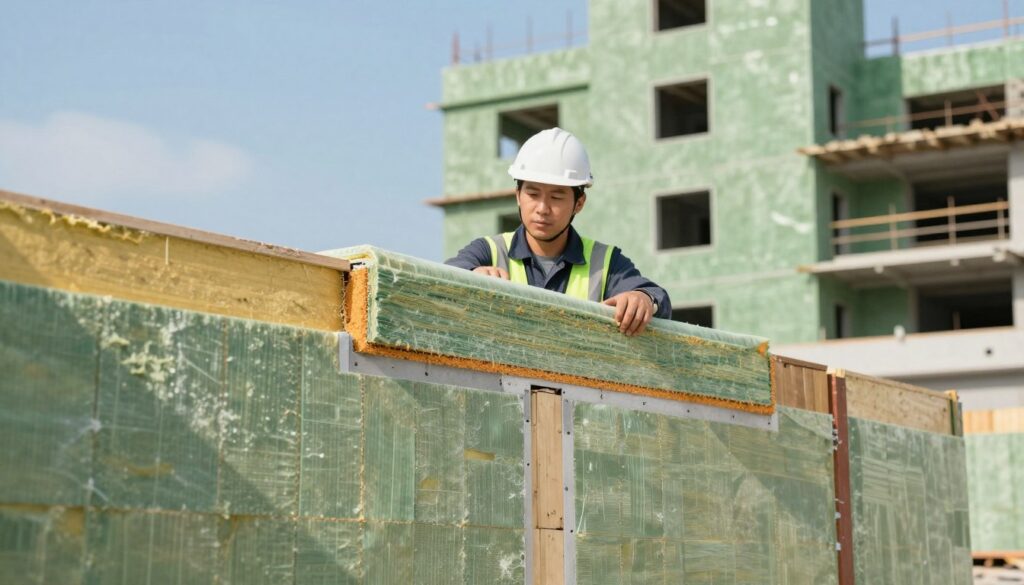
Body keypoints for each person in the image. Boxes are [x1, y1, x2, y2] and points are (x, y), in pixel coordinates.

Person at [445, 127, 671, 336]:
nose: (542, 209)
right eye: (533, 194)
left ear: (579, 203)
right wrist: (471, 275)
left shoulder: (605, 262)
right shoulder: (490, 251)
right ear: (518, 196)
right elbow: (442, 280)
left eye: (556, 197)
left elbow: (657, 298)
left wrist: (643, 298)